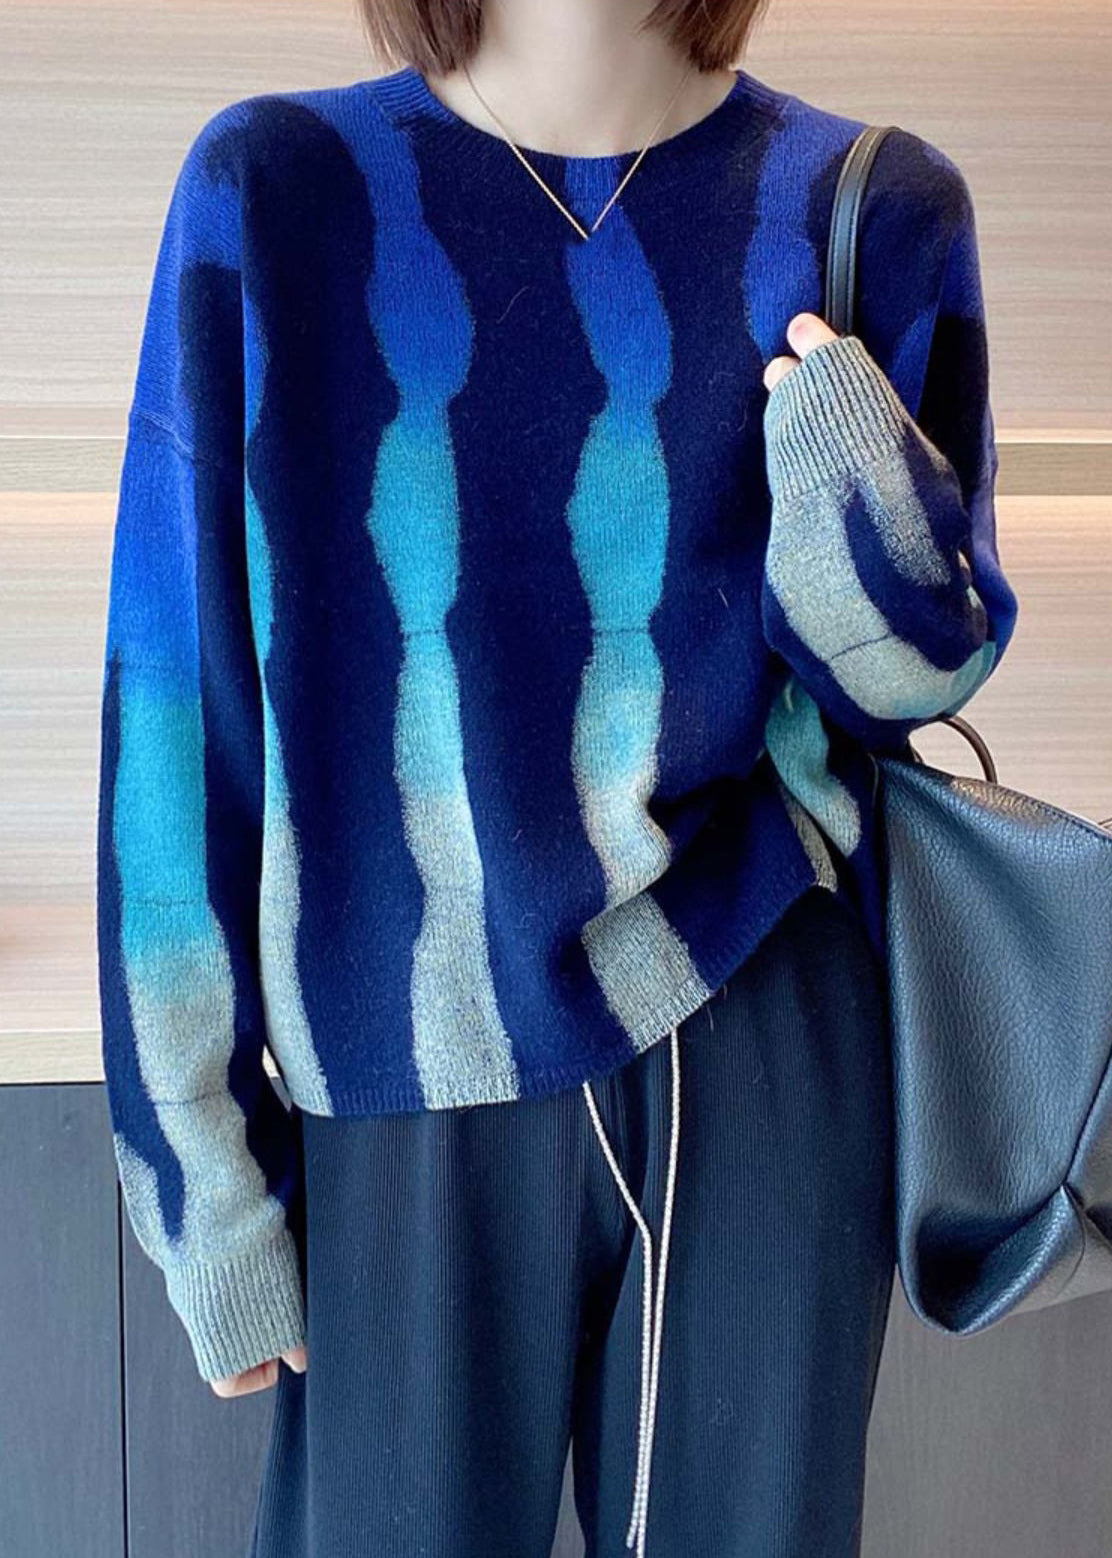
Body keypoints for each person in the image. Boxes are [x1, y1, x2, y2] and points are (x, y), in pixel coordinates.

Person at [95, 0, 1019, 1553]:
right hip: (408, 1062)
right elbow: (177, 705)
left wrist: (856, 489)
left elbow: (910, 684)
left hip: (765, 1020)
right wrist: (202, 1175)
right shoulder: (278, 193)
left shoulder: (870, 204)